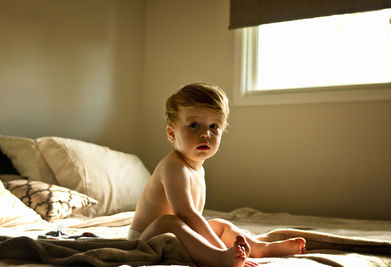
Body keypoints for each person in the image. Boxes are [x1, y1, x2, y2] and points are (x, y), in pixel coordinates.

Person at [129, 83, 306, 267]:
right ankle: (218, 258)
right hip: (146, 239)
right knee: (168, 221)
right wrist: (220, 248)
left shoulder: (198, 169)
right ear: (172, 133)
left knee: (221, 225)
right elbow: (186, 214)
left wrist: (213, 237)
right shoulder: (173, 167)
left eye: (214, 126)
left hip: (179, 235)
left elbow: (191, 223)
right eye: (194, 125)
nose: (205, 134)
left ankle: (260, 248)